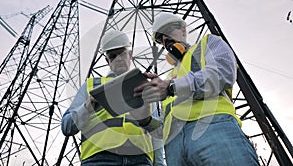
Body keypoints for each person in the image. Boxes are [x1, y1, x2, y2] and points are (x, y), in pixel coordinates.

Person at [134, 12, 260, 166]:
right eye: (160, 39)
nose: (165, 40)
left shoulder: (207, 44)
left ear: (183, 30)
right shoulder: (167, 78)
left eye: (167, 31)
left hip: (213, 127)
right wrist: (145, 120)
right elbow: (164, 128)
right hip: (174, 149)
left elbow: (223, 73)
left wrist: (173, 87)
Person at [61, 30, 164, 166]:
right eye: (113, 56)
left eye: (122, 53)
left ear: (130, 55)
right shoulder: (91, 86)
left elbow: (157, 135)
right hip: (99, 159)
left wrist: (159, 164)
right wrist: (89, 105)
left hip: (141, 159)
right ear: (107, 61)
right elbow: (67, 126)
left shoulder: (145, 87)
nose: (119, 59)